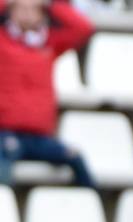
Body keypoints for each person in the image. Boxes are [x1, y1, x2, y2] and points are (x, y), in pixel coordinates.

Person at [0, 0, 96, 187]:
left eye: (33, 9)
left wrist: (50, 4)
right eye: (21, 9)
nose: (27, 14)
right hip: (5, 133)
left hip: (40, 138)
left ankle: (90, 203)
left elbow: (83, 28)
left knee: (75, 157)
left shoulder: (49, 43)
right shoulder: (3, 42)